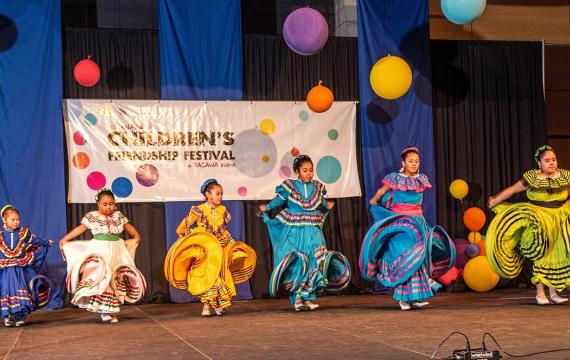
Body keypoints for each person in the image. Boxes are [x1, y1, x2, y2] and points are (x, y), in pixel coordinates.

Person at [360, 146, 455, 310]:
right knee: (406, 257)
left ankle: (416, 296)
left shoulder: (421, 179)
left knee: (419, 259)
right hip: (401, 224)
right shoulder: (395, 178)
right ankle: (403, 299)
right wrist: (374, 202)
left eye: (416, 161)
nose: (414, 164)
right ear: (403, 163)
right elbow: (382, 191)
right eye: (410, 161)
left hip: (418, 222)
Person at [258, 154, 351, 312]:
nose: (308, 173)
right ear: (297, 171)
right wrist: (267, 208)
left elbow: (321, 203)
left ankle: (308, 297)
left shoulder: (318, 187)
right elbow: (279, 200)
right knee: (299, 262)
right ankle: (297, 299)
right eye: (305, 170)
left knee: (316, 260)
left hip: (312, 230)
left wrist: (327, 206)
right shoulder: (290, 186)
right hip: (294, 230)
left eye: (310, 170)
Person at [487, 145, 570, 305]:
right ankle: (540, 292)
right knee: (541, 254)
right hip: (538, 219)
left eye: (553, 159)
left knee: (557, 256)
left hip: (559, 218)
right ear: (539, 163)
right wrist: (496, 201)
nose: (551, 163)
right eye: (547, 161)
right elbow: (512, 190)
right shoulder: (532, 177)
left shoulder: (564, 176)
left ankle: (553, 292)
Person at [165, 179, 256, 316]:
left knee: (220, 273)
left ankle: (219, 303)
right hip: (205, 244)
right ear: (208, 194)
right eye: (217, 193)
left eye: (221, 194)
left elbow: (223, 229)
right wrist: (182, 234)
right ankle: (206, 305)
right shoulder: (199, 210)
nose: (220, 196)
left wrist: (231, 245)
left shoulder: (223, 210)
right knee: (208, 275)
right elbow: (188, 222)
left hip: (220, 243)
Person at [59, 188, 146, 323]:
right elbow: (80, 229)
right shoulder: (92, 216)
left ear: (115, 204)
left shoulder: (118, 216)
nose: (108, 207)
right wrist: (66, 239)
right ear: (98, 204)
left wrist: (136, 236)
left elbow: (128, 227)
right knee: (102, 276)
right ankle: (104, 311)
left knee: (113, 276)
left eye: (111, 203)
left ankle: (111, 309)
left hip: (116, 248)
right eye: (105, 204)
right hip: (100, 248)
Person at [0, 205, 53, 326]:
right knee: (6, 289)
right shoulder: (1, 235)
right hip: (6, 269)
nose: (16, 222)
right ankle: (7, 317)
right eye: (12, 220)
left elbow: (35, 240)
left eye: (17, 219)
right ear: (4, 220)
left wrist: (46, 242)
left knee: (20, 287)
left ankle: (19, 315)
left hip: (19, 268)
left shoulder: (23, 233)